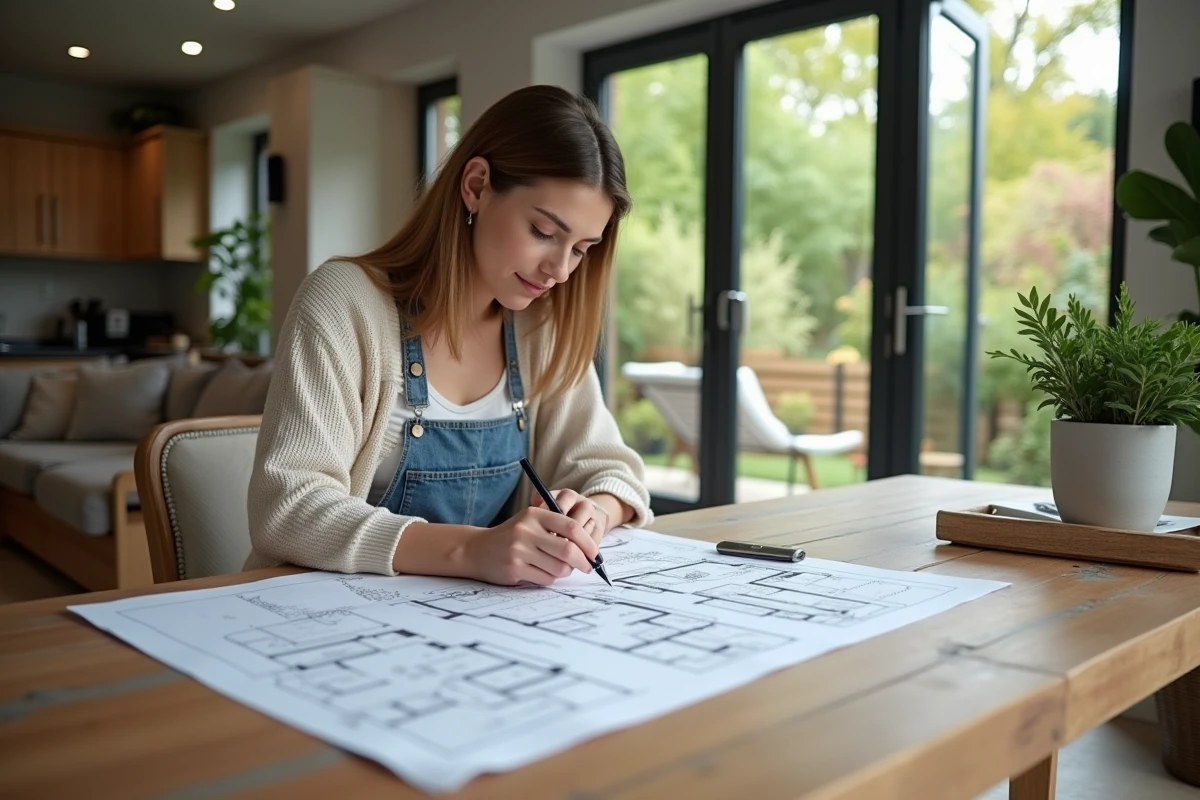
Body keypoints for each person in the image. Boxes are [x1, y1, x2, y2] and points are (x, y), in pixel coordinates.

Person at [245, 85, 652, 587]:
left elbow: (611, 470)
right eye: (544, 233)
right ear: (477, 186)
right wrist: (471, 550)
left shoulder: (540, 325)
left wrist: (596, 511)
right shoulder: (344, 303)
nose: (560, 271)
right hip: (323, 621)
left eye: (581, 249)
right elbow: (288, 506)